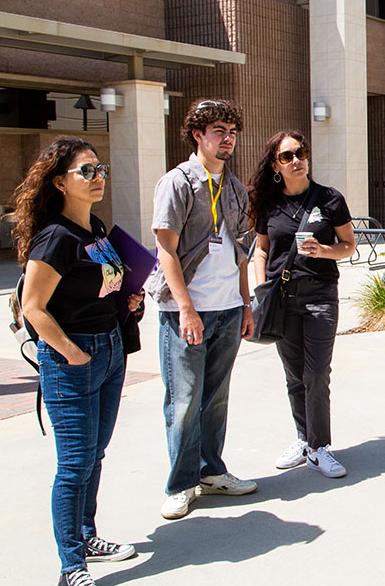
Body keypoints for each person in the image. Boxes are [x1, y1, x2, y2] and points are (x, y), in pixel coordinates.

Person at [13, 137, 144, 586]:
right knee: (74, 464)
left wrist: (129, 300)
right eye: (86, 171)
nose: (97, 177)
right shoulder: (55, 238)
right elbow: (33, 306)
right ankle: (72, 567)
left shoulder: (98, 231)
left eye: (100, 168)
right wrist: (70, 351)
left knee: (95, 455)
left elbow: (103, 288)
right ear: (59, 182)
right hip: (74, 359)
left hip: (109, 351)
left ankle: (86, 536)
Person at [145, 99, 257, 520]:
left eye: (232, 132)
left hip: (228, 307)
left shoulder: (234, 187)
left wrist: (245, 304)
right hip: (187, 312)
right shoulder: (177, 183)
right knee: (185, 400)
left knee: (216, 398)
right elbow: (166, 251)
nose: (227, 140)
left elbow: (241, 251)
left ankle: (211, 472)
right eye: (219, 132)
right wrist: (186, 309)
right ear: (198, 134)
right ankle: (181, 483)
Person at [248, 131, 356, 478]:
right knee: (294, 374)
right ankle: (303, 438)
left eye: (301, 152)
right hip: (282, 297)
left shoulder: (329, 199)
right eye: (287, 156)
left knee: (316, 372)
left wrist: (323, 251)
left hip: (320, 295)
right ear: (276, 165)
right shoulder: (269, 204)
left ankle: (320, 446)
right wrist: (260, 290)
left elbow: (349, 245)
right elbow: (262, 249)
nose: (297, 160)